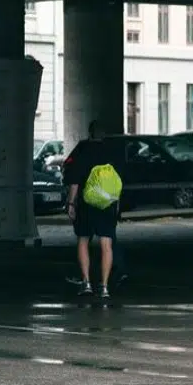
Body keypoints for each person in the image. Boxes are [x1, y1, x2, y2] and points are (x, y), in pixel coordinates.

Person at [63, 120, 123, 299]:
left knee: (83, 240)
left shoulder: (82, 149)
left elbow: (74, 179)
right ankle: (104, 286)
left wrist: (71, 203)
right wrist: (117, 205)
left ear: (90, 133)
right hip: (107, 203)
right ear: (103, 134)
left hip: (86, 202)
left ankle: (86, 282)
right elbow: (118, 182)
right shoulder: (112, 151)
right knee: (107, 244)